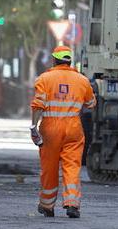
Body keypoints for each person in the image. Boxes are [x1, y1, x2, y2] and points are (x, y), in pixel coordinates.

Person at [30, 44, 95, 218]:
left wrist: (33, 127)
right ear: (69, 61)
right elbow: (91, 104)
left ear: (54, 60)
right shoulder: (82, 80)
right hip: (74, 127)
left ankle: (47, 205)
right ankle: (72, 203)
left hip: (50, 128)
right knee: (72, 165)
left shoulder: (44, 79)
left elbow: (38, 105)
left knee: (49, 167)